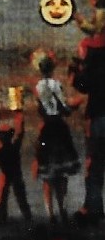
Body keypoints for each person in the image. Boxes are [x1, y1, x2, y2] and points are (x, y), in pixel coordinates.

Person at [32, 49, 80, 225]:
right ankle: (62, 208)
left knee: (48, 174)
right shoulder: (56, 84)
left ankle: (50, 212)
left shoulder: (38, 87)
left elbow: (40, 108)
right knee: (62, 173)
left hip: (46, 128)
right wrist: (74, 106)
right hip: (59, 128)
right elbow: (64, 108)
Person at [70, 6, 105, 225]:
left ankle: (93, 207)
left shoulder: (90, 49)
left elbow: (83, 85)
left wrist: (74, 72)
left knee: (94, 162)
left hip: (98, 112)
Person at [0, 110, 33, 228]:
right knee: (20, 196)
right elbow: (20, 134)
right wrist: (20, 119)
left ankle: (2, 217)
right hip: (15, 174)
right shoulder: (14, 146)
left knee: (4, 196)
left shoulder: (0, 150)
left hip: (6, 174)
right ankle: (27, 215)